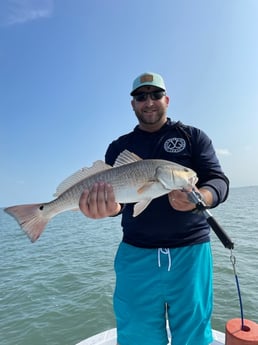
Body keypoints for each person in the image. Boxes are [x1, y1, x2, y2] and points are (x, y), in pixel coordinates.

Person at [79, 72, 229, 345]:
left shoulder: (193, 136)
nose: (149, 102)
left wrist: (202, 198)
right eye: (141, 96)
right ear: (133, 104)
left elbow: (217, 180)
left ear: (167, 99)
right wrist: (107, 209)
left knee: (193, 333)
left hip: (190, 252)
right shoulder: (119, 147)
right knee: (138, 335)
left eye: (155, 95)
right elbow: (119, 204)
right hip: (136, 253)